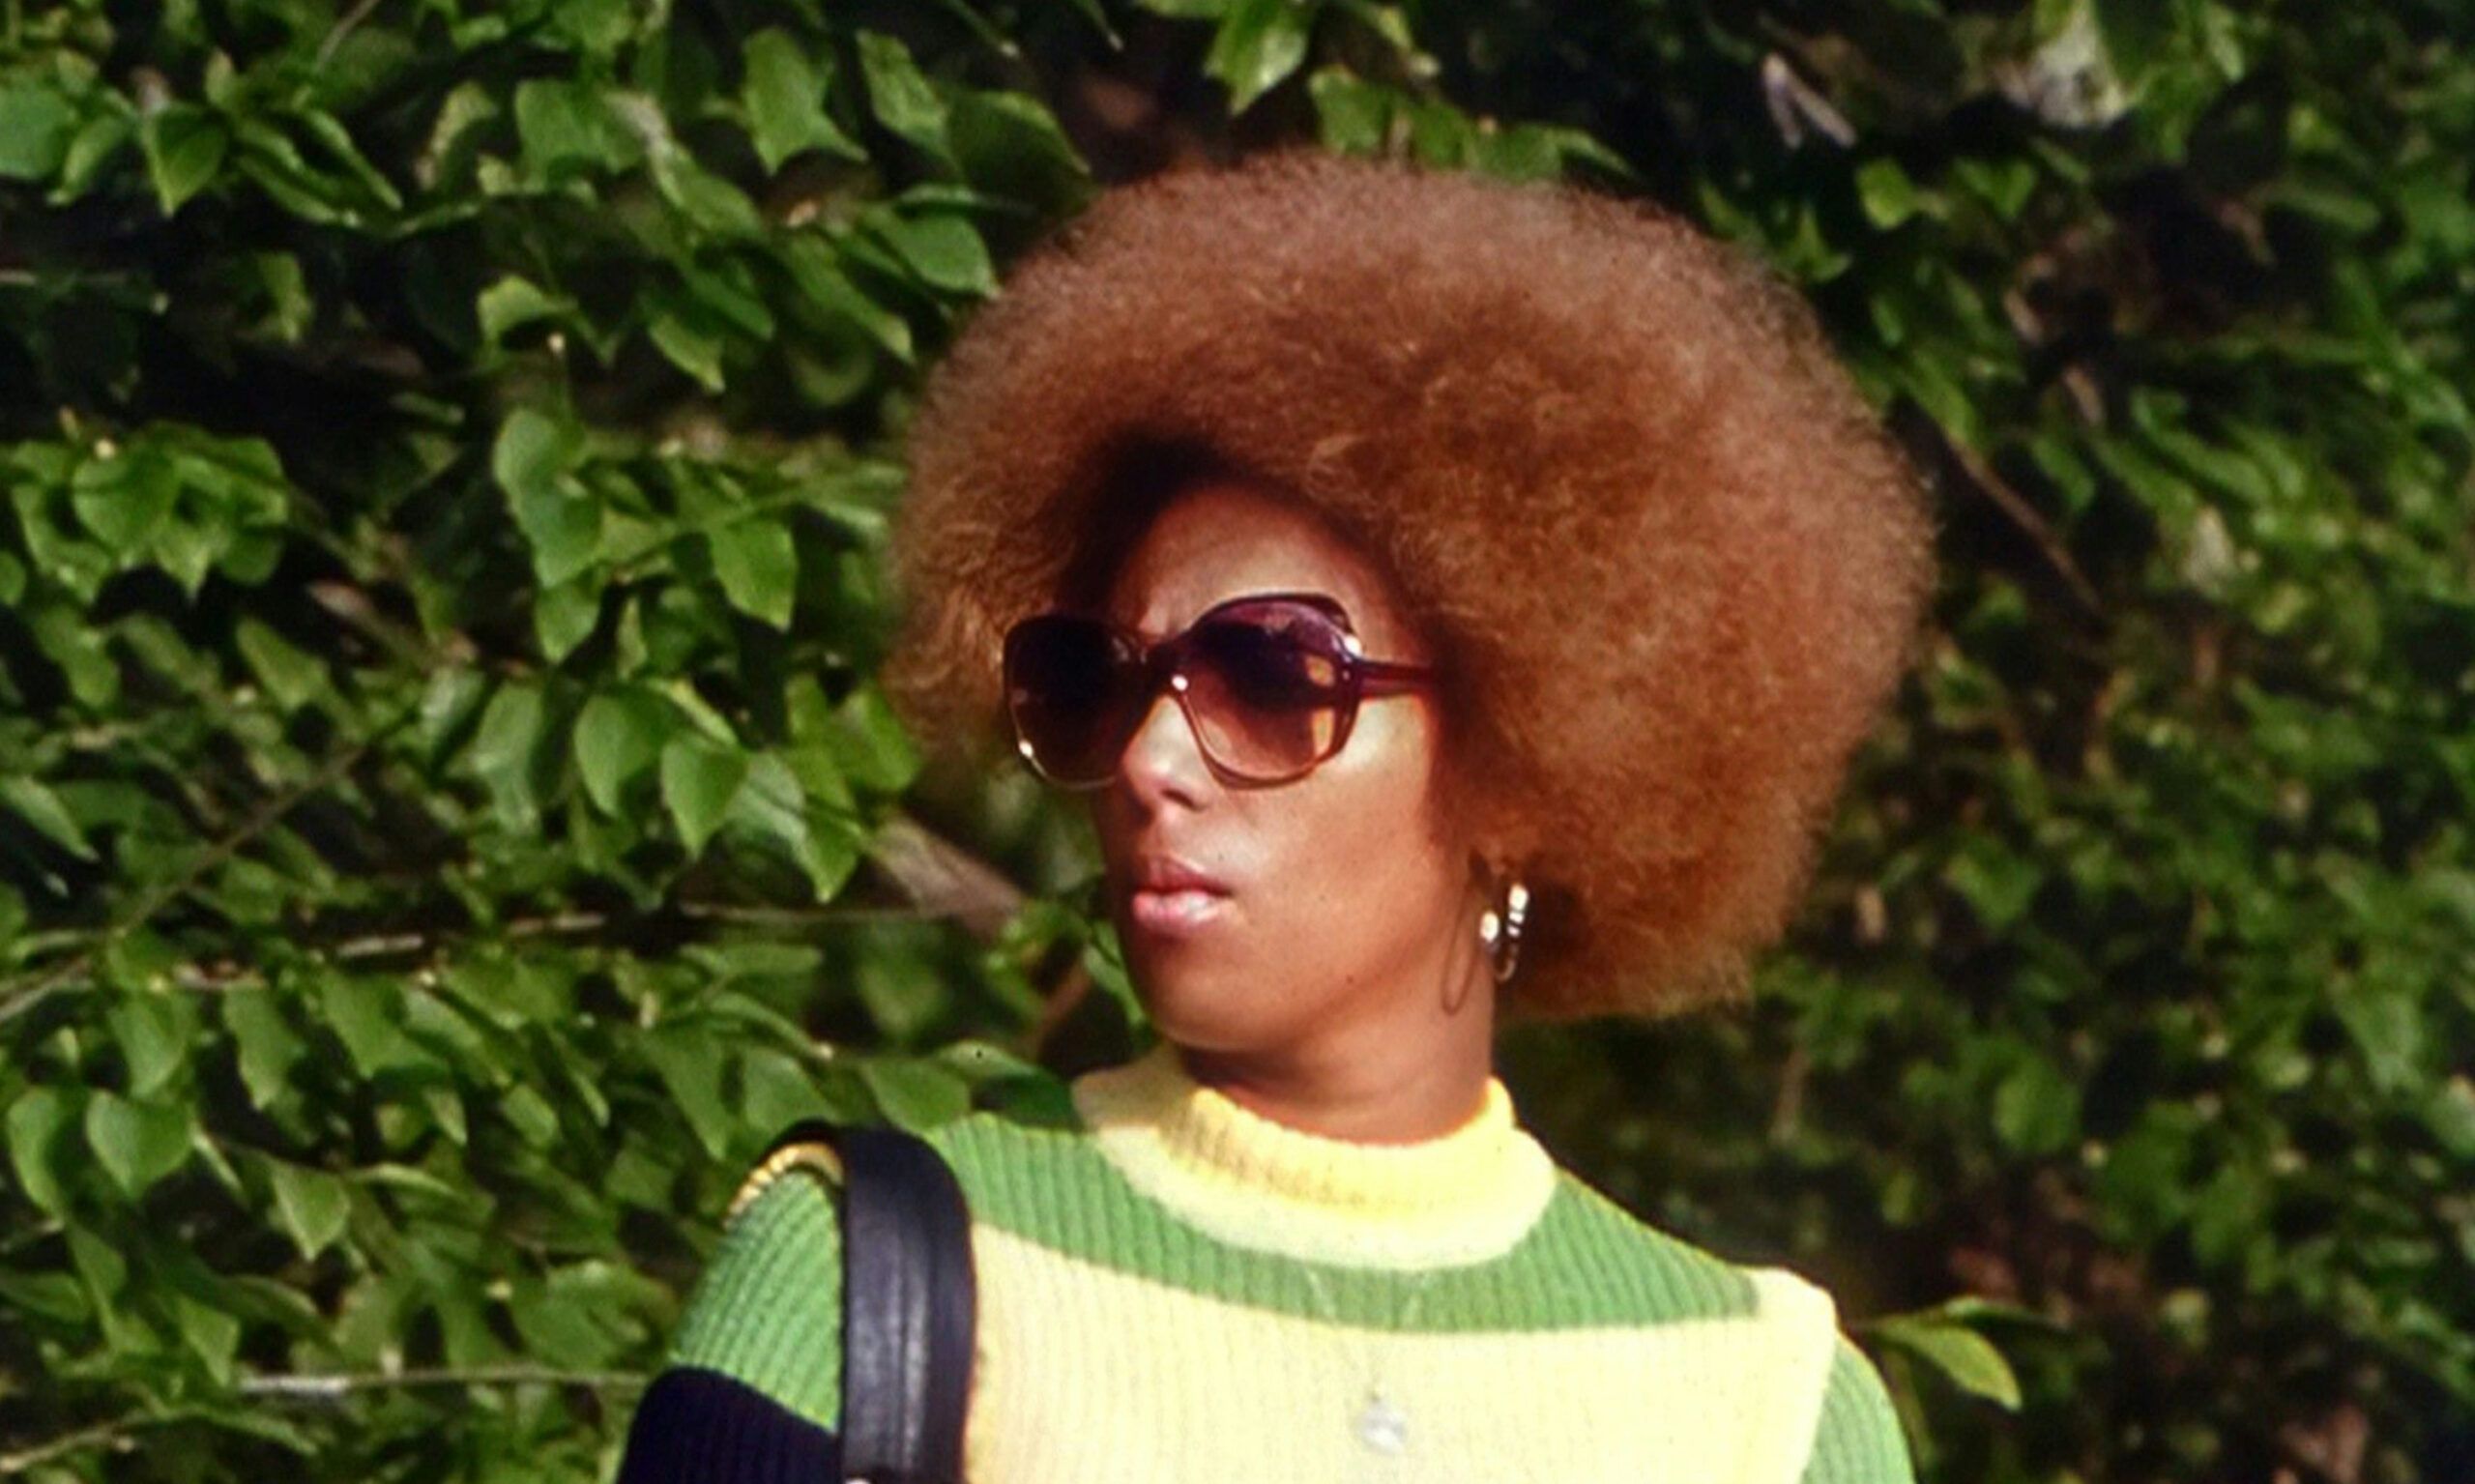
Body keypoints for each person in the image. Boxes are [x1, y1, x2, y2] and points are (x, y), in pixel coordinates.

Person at [617, 148, 1935, 1483]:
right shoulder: (858, 1289)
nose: (1148, 759)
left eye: (1270, 675)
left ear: (1528, 775)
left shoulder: (1769, 1412)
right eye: (1103, 682)